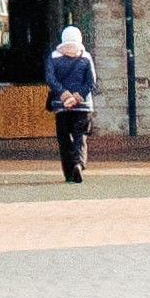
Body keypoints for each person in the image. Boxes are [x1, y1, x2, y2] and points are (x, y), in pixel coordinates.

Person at [46, 26, 97, 183]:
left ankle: (68, 172)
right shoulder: (86, 57)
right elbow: (91, 82)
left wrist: (64, 94)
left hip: (61, 106)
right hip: (83, 106)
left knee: (64, 138)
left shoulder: (53, 57)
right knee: (80, 137)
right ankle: (79, 164)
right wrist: (77, 97)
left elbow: (50, 79)